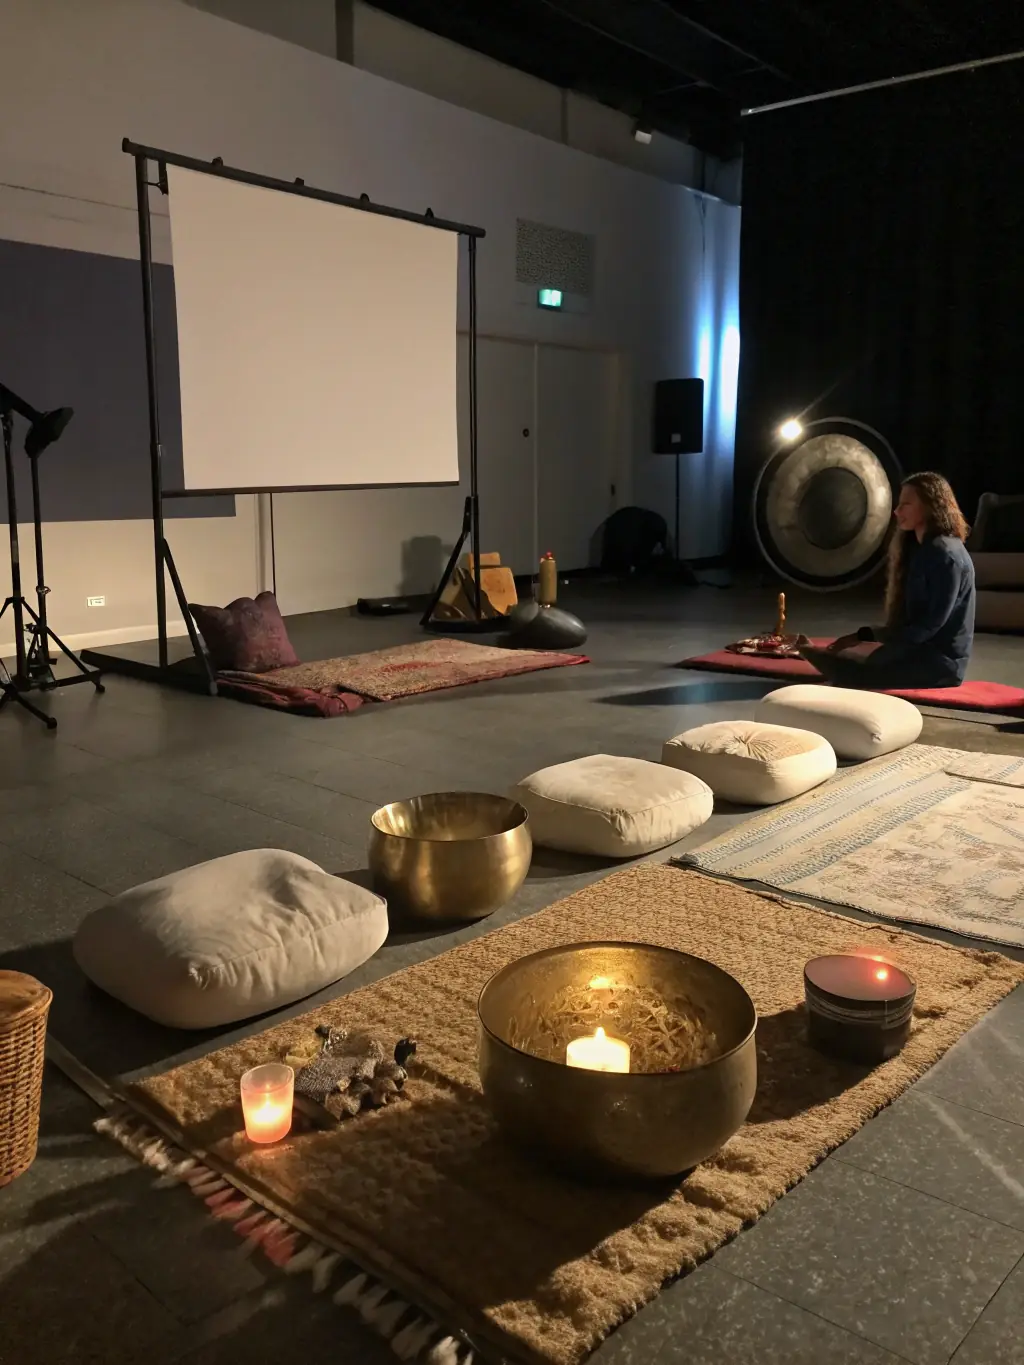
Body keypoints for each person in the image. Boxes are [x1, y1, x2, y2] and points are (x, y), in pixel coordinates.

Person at [800, 471, 975, 690]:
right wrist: (866, 638)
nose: (897, 511)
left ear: (932, 506)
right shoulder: (925, 549)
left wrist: (865, 637)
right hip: (920, 651)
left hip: (941, 664)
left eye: (906, 504)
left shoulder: (945, 554)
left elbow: (928, 626)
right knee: (866, 660)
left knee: (856, 673)